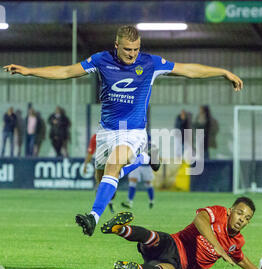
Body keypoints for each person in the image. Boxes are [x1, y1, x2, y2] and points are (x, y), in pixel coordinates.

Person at [4, 25, 243, 237]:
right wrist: (29, 70)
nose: (132, 54)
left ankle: (93, 218)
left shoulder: (150, 63)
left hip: (133, 132)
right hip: (106, 132)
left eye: (136, 49)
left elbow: (189, 70)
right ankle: (145, 158)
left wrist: (223, 72)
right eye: (128, 49)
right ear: (116, 45)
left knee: (113, 167)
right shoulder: (100, 60)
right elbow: (66, 72)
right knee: (104, 181)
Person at [100, 197, 261, 269]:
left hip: (179, 266)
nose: (242, 219)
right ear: (229, 211)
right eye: (239, 213)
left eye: (247, 218)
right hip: (175, 244)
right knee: (156, 238)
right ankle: (119, 229)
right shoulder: (218, 212)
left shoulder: (237, 242)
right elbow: (200, 220)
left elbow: (241, 260)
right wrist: (219, 248)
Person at [83, 133, 116, 214]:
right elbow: (91, 152)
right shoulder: (96, 137)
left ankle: (106, 204)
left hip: (109, 162)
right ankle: (100, 206)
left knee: (105, 185)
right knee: (103, 184)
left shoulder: (114, 135)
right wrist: (85, 165)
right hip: (103, 163)